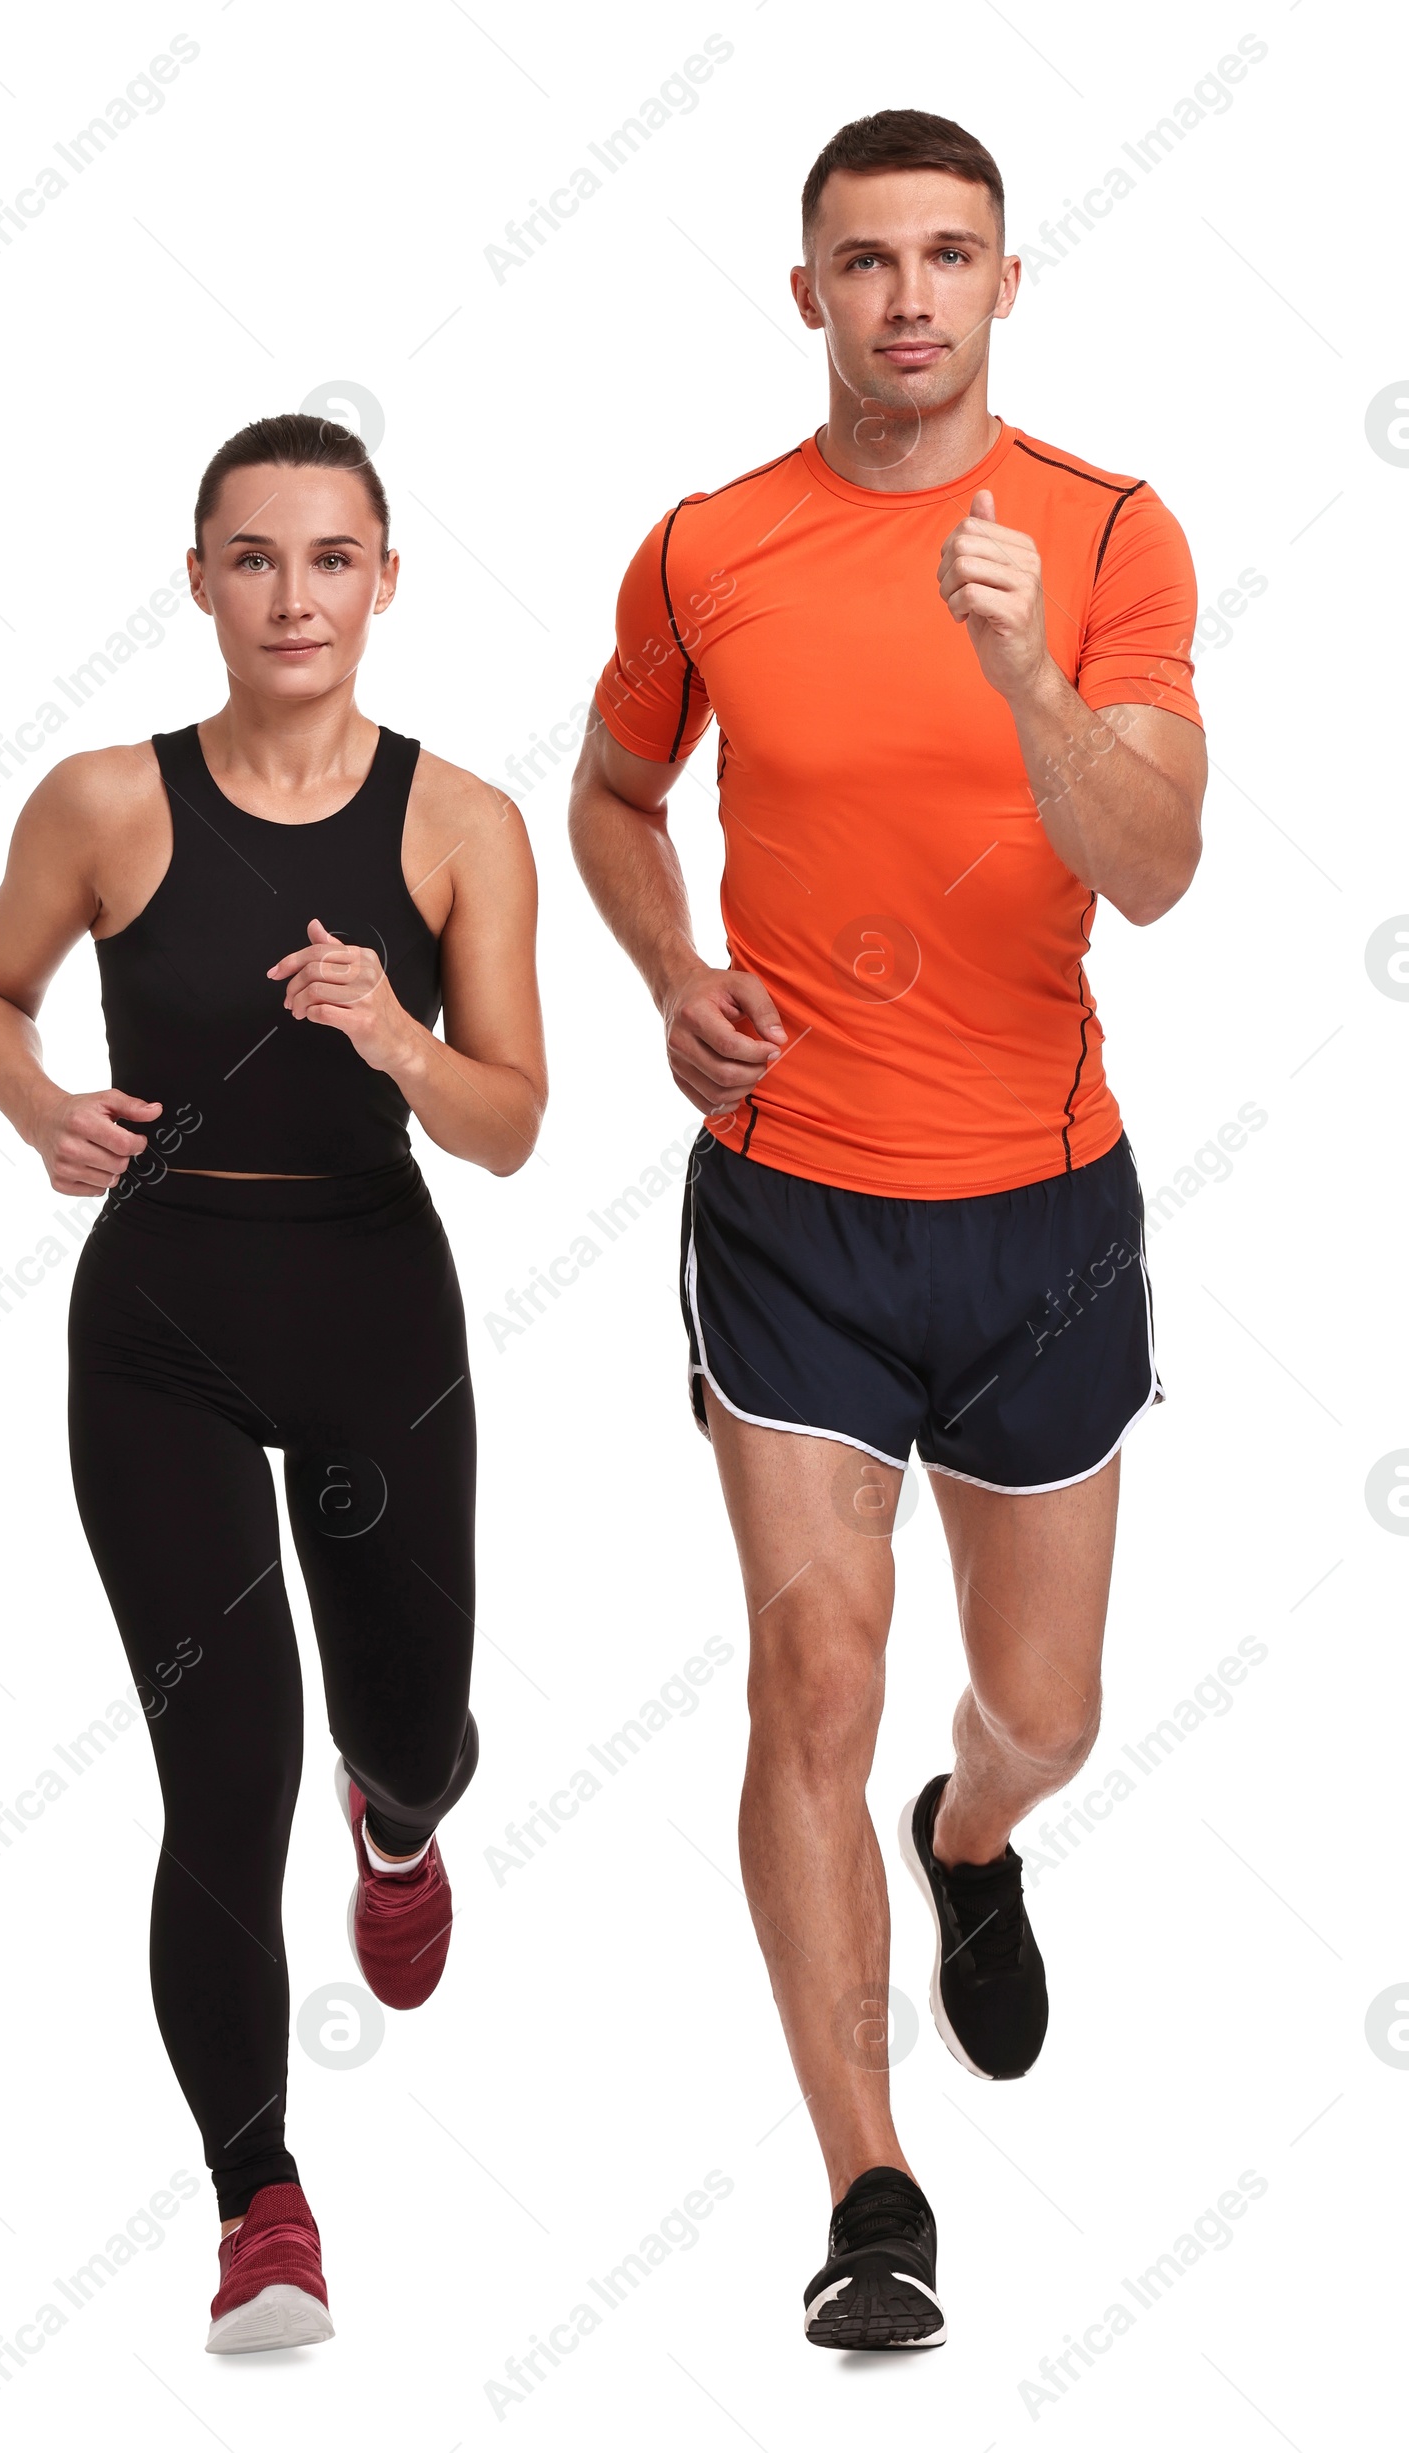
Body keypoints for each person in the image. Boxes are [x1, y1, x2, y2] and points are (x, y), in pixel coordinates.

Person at [569, 110, 1204, 2350]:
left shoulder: (1108, 535)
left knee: (1042, 1708)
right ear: (806, 291)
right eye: (864, 260)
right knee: (804, 1677)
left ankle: (968, 1841)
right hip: (792, 1218)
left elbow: (1150, 869)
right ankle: (868, 2186)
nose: (907, 296)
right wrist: (666, 978)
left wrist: (1026, 674)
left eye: (948, 256)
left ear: (1005, 286)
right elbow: (615, 790)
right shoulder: (706, 547)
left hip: (1035, 1222)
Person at [0, 414, 545, 2355]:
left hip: (376, 1308)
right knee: (223, 1773)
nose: (294, 596)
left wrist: (389, 1031)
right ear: (200, 579)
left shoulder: (459, 826)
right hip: (163, 1332)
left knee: (406, 1726)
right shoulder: (103, 803)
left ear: (384, 580)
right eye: (255, 558)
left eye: (331, 558)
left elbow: (514, 1126)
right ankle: (256, 2205)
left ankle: (404, 1818)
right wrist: (37, 1101)